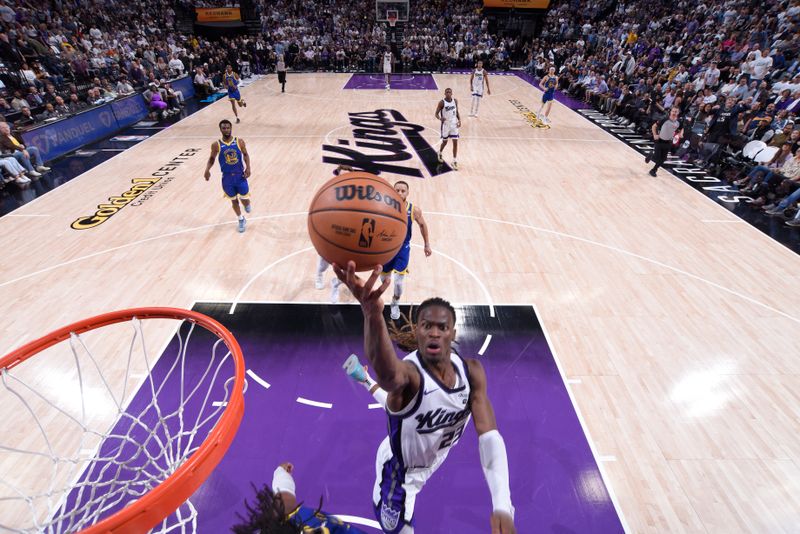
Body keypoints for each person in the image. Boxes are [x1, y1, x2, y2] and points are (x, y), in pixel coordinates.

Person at [331, 265, 516, 534]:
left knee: (401, 411)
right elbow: (388, 374)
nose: (434, 332)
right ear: (417, 331)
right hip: (399, 476)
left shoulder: (471, 373)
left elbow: (489, 437)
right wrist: (372, 315)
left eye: (443, 327)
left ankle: (363, 379)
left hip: (429, 460)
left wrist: (502, 504)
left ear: (453, 333)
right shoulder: (410, 375)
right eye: (427, 326)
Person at [232, 462, 367, 533]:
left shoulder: (286, 513)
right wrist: (281, 472)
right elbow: (283, 497)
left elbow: (283, 498)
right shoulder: (288, 514)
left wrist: (281, 473)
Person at [378, 180, 431, 320]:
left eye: (403, 190)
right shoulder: (384, 206)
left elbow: (422, 225)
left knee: (399, 282)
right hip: (386, 247)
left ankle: (395, 303)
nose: (400, 193)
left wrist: (427, 244)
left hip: (403, 248)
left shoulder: (414, 209)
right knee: (384, 279)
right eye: (397, 190)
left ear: (408, 193)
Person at [204, 119, 252, 233]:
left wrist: (248, 167)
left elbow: (245, 155)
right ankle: (241, 219)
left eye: (228, 127)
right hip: (227, 178)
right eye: (223, 128)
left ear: (231, 128)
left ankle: (246, 204)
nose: (226, 130)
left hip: (240, 176)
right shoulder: (216, 145)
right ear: (220, 129)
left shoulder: (239, 141)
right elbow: (212, 159)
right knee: (234, 201)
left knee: (245, 200)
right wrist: (207, 170)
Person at [645, 107, 683, 177]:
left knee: (663, 159)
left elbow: (681, 128)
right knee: (657, 158)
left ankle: (653, 170)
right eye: (673, 111)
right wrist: (655, 135)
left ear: (678, 113)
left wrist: (681, 134)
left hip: (668, 142)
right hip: (659, 141)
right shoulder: (664, 119)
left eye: (676, 112)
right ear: (670, 112)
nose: (674, 113)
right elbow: (654, 126)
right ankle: (651, 155)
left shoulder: (679, 122)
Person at [435, 88, 461, 170]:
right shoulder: (442, 102)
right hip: (446, 125)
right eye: (447, 92)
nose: (448, 93)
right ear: (444, 93)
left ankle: (454, 160)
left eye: (450, 92)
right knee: (445, 142)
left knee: (455, 142)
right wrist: (440, 118)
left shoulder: (455, 101)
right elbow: (436, 113)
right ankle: (440, 152)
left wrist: (459, 120)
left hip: (454, 124)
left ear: (452, 93)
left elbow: (456, 112)